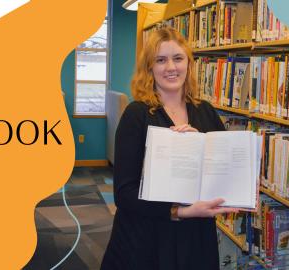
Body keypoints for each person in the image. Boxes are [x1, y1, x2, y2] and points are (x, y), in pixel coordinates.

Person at [101, 27, 239, 270]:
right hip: (147, 238)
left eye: (178, 58)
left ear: (188, 63)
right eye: (161, 60)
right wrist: (181, 212)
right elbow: (124, 194)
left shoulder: (205, 112)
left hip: (196, 238)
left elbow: (225, 174)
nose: (171, 67)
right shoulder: (137, 115)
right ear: (150, 68)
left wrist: (204, 148)